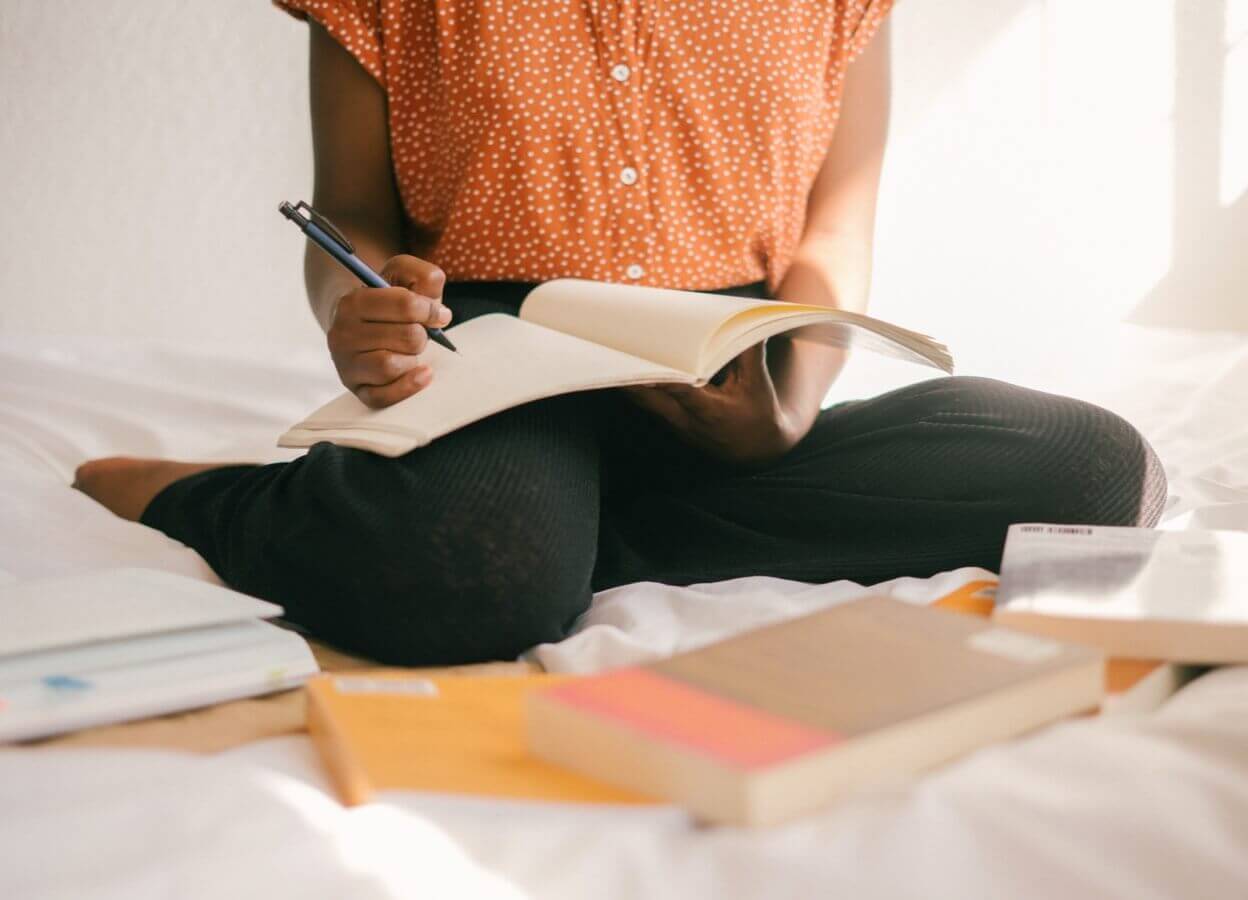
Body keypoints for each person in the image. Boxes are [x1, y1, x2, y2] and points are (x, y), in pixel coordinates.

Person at [74, 1, 1167, 665]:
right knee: (470, 586)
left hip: (736, 360)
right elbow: (348, 214)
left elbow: (835, 226)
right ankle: (207, 497)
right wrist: (350, 312)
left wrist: (786, 406)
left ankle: (558, 530)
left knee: (1094, 471)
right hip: (500, 350)